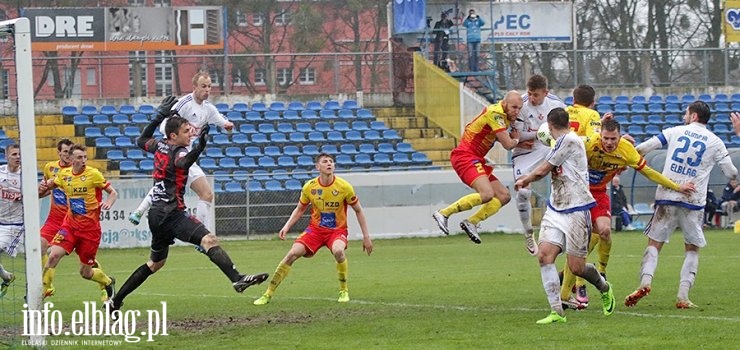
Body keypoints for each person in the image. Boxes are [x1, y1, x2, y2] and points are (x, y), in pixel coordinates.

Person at [109, 97, 267, 313]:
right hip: (172, 214)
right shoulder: (179, 151)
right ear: (174, 135)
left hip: (156, 215)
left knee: (155, 264)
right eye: (186, 131)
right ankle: (237, 279)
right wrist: (199, 148)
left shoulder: (159, 145)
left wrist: (158, 117)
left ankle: (115, 301)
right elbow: (183, 162)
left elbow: (141, 139)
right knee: (208, 239)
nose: (190, 133)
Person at [560, 119, 694, 308]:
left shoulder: (626, 150)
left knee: (605, 231)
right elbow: (562, 148)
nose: (609, 143)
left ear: (619, 137)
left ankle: (601, 271)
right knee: (580, 244)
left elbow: (649, 172)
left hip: (598, 194)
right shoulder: (587, 143)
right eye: (605, 138)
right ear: (600, 135)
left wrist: (677, 186)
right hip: (578, 194)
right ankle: (571, 289)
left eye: (613, 139)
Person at [625, 101, 737, 309]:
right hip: (693, 201)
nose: (684, 117)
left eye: (687, 113)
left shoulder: (675, 131)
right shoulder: (715, 141)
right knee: (692, 249)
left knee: (654, 244)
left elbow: (642, 149)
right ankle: (683, 296)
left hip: (667, 194)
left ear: (694, 116)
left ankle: (645, 282)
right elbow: (731, 173)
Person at [514, 107, 615, 324]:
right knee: (544, 256)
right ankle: (556, 311)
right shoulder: (559, 143)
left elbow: (543, 170)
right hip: (556, 208)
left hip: (577, 209)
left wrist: (524, 180)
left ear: (549, 126)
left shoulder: (569, 141)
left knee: (577, 267)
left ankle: (604, 287)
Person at [254, 153, 372, 305]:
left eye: (331, 161)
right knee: (292, 254)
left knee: (338, 251)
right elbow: (299, 209)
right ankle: (267, 294)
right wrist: (287, 226)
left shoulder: (344, 187)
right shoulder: (310, 187)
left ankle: (344, 291)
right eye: (325, 161)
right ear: (318, 167)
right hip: (315, 230)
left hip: (337, 231)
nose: (329, 164)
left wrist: (366, 237)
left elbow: (358, 210)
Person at [129, 71, 234, 238]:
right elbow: (165, 125)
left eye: (209, 87)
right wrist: (174, 140)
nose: (207, 90)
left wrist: (228, 125)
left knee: (205, 194)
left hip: (188, 157)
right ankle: (200, 235)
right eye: (203, 86)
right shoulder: (184, 103)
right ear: (194, 87)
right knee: (167, 185)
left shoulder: (208, 109)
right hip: (172, 152)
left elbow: (222, 121)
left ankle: (200, 233)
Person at [432, 91, 522, 244]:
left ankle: (472, 222)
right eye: (514, 107)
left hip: (476, 159)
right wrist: (516, 138)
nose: (517, 111)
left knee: (503, 196)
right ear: (504, 103)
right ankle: (443, 213)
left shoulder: (504, 116)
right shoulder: (496, 113)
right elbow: (508, 144)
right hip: (465, 156)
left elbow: (492, 136)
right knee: (487, 194)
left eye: (520, 108)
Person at [42, 144, 118, 302]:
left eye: (85, 157)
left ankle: (108, 282)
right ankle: (42, 292)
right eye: (79, 157)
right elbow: (52, 184)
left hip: (90, 231)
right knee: (53, 255)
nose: (83, 160)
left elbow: (113, 192)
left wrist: (109, 202)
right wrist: (42, 186)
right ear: (71, 159)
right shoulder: (64, 174)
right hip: (69, 226)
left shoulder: (93, 174)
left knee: (86, 273)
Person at [511, 75, 566, 255]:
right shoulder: (520, 104)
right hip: (525, 151)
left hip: (547, 147)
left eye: (536, 95)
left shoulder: (556, 105)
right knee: (523, 191)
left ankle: (562, 229)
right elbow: (511, 135)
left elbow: (567, 130)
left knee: (564, 183)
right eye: (530, 93)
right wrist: (517, 141)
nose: (532, 98)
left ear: (545, 93)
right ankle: (528, 232)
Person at [0, 144, 22, 298]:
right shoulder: (0, 172)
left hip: (14, 225)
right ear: (6, 156)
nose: (17, 157)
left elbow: (40, 193)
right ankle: (7, 277)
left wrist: (24, 196)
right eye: (14, 154)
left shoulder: (25, 176)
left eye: (19, 154)